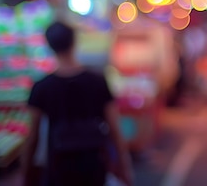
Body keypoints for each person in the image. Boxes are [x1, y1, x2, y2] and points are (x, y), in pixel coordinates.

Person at [21, 21, 133, 186]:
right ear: (74, 42)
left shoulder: (42, 87)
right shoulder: (98, 82)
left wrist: (26, 174)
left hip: (58, 167)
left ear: (50, 46)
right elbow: (115, 130)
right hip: (93, 165)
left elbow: (32, 138)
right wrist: (124, 167)